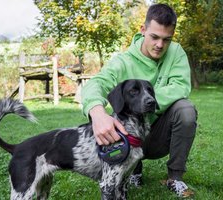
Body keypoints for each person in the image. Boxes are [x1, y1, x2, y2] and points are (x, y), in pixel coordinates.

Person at [81, 3, 197, 198]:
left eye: (166, 39)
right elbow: (96, 83)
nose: (160, 45)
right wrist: (97, 112)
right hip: (128, 136)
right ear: (143, 30)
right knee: (123, 117)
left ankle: (175, 177)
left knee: (186, 109)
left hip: (157, 135)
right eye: (154, 37)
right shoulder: (122, 61)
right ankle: (133, 170)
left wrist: (145, 100)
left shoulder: (176, 52)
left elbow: (181, 86)